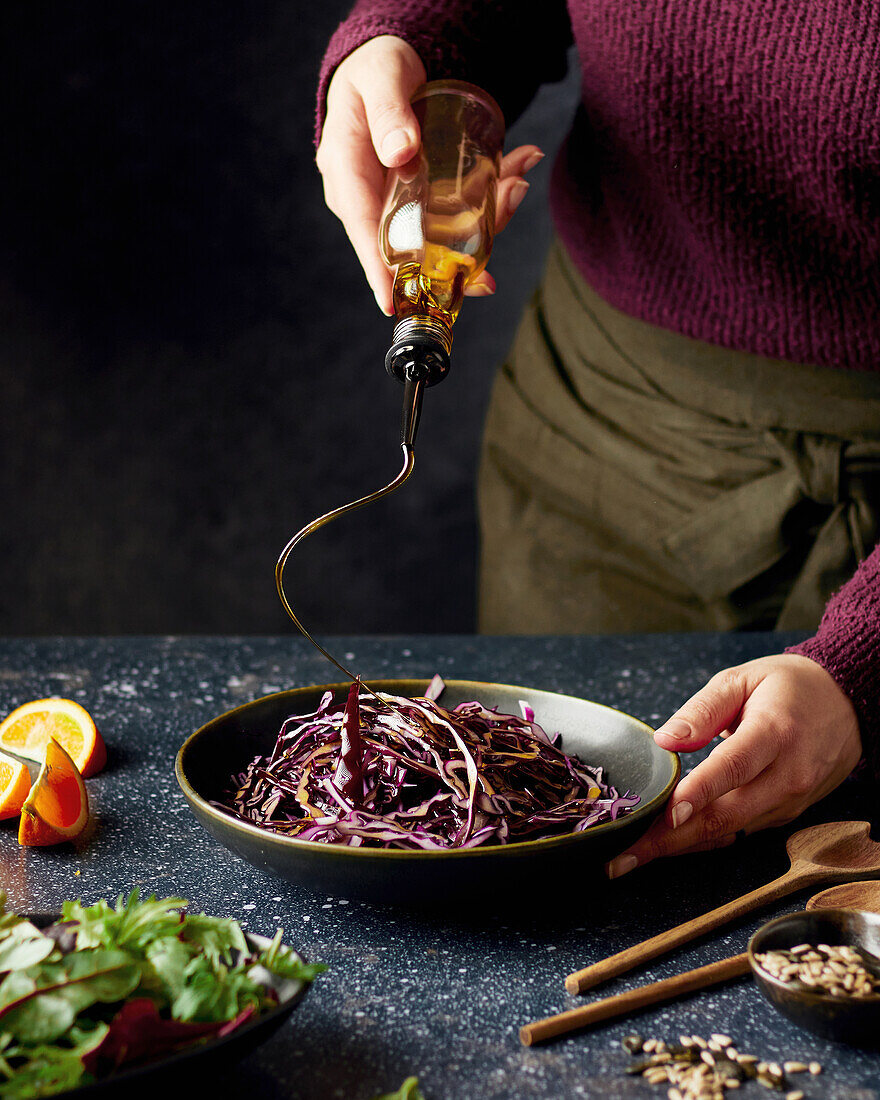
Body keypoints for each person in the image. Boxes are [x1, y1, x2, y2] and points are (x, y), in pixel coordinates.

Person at [314, 7, 880, 878]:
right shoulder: (434, 246)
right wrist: (411, 42)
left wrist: (867, 663)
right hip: (605, 429)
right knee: (559, 849)